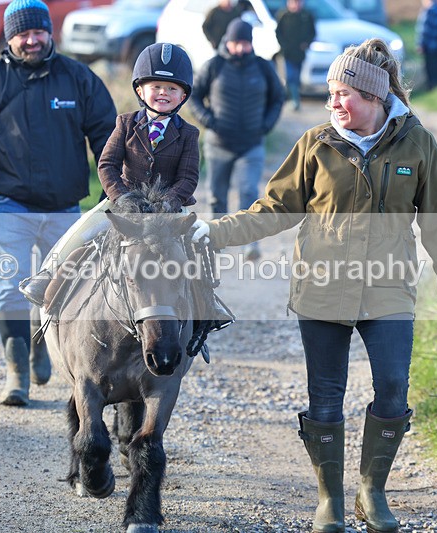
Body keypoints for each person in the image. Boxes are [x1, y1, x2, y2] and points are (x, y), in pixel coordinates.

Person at [191, 38, 437, 533]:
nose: (334, 104)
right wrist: (212, 233)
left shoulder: (417, 144)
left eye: (344, 93)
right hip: (322, 287)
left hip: (388, 288)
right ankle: (330, 500)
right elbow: (274, 210)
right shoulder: (316, 144)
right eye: (330, 94)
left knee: (391, 388)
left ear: (374, 97)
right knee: (325, 396)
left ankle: (373, 492)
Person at [0, 0, 117, 407]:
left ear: (48, 32)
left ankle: (43, 346)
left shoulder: (78, 79)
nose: (32, 39)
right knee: (10, 290)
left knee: (65, 291)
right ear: (9, 38)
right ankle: (16, 374)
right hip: (10, 208)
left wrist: (115, 189)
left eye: (38, 31)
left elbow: (109, 138)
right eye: (22, 33)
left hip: (65, 212)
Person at [19, 42, 200, 313]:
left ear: (183, 95)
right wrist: (122, 197)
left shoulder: (188, 134)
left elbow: (188, 178)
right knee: (81, 232)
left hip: (169, 211)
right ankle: (48, 275)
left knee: (197, 247)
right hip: (123, 203)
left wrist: (169, 202)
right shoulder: (125, 124)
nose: (164, 93)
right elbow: (107, 164)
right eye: (156, 87)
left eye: (172, 89)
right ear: (140, 90)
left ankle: (205, 305)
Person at [190, 18, 284, 261]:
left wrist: (266, 125)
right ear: (227, 42)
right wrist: (209, 120)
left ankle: (249, 244)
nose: (240, 48)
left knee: (248, 192)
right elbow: (194, 97)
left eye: (245, 43)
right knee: (216, 196)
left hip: (251, 145)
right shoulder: (214, 66)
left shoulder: (263, 67)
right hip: (218, 144)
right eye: (236, 43)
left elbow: (277, 98)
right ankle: (214, 241)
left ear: (251, 44)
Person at [275, 0, 316, 111]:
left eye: (298, 2)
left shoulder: (306, 16)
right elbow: (278, 32)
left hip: (300, 53)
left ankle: (292, 96)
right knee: (290, 76)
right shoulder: (283, 15)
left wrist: (306, 43)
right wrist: (284, 46)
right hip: (288, 53)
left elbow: (312, 32)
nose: (295, 5)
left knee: (296, 76)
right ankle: (295, 100)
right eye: (293, 2)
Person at [416, 0, 437, 90]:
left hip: (429, 47)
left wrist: (421, 44)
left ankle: (431, 90)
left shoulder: (428, 11)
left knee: (430, 71)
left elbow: (424, 30)